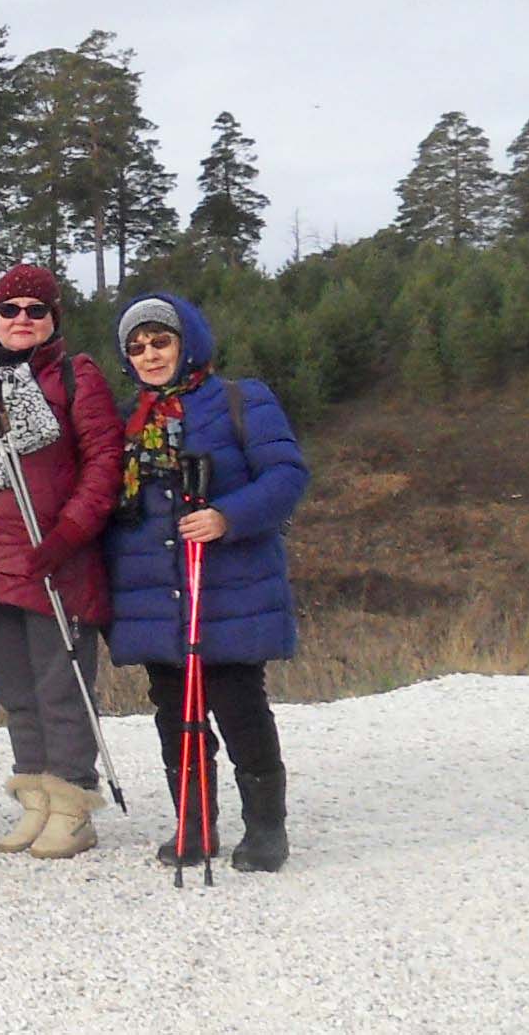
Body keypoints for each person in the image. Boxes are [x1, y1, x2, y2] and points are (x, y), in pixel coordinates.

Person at [105, 291, 310, 873]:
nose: (149, 355)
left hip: (230, 587)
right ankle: (194, 825)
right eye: (137, 347)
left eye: (160, 342)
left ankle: (267, 830)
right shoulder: (128, 419)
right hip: (154, 592)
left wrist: (228, 517)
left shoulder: (242, 401)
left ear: (186, 341)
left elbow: (287, 475)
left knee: (239, 706)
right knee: (174, 714)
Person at [0, 262, 126, 861]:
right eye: (10, 309)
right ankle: (36, 798)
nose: (21, 320)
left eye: (36, 310)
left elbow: (104, 464)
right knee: (15, 689)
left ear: (53, 320)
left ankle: (73, 802)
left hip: (54, 561)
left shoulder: (76, 376)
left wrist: (68, 534)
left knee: (60, 685)